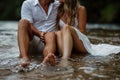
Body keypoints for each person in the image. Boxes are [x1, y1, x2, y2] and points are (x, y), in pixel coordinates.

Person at [55, 0, 120, 66]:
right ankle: (63, 55)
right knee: (58, 33)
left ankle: (65, 59)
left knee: (66, 27)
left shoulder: (81, 9)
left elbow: (82, 32)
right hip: (66, 43)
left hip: (80, 42)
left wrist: (69, 33)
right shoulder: (57, 9)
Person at [18, 0, 59, 67]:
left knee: (50, 35)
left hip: (50, 40)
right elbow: (29, 25)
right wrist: (40, 34)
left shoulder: (57, 4)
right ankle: (24, 58)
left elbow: (72, 6)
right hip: (32, 40)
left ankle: (48, 59)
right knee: (23, 22)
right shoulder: (28, 3)